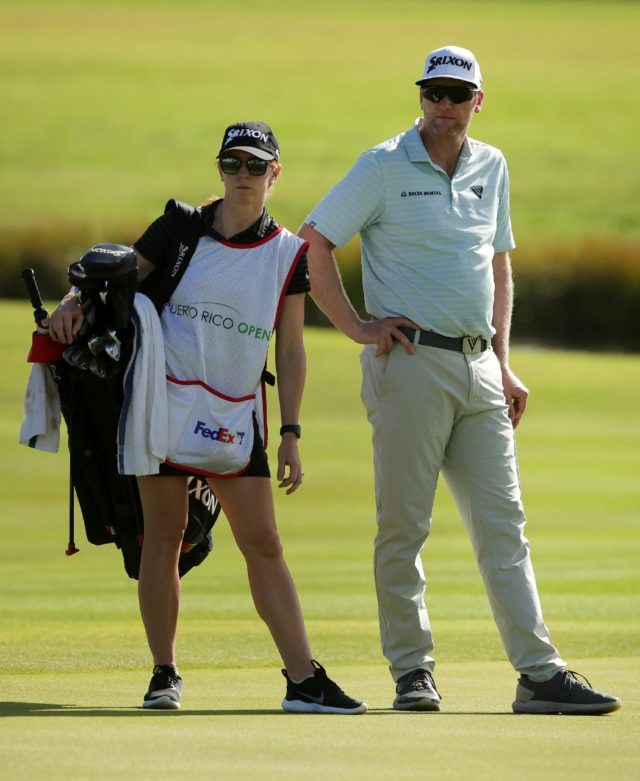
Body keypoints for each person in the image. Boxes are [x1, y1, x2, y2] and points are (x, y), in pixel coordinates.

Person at [298, 47, 621, 715]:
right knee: (404, 528)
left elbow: (499, 269)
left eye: (456, 92)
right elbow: (313, 243)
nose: (442, 103)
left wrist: (501, 360)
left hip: (479, 370)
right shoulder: (383, 165)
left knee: (505, 527)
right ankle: (412, 670)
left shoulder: (491, 165)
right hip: (410, 364)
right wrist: (359, 326)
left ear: (479, 100)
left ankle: (538, 672)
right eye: (432, 91)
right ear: (420, 96)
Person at [50, 120, 366, 715]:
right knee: (162, 538)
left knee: (264, 543)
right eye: (232, 163)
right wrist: (71, 302)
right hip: (159, 404)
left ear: (276, 173)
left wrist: (292, 433)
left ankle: (303, 679)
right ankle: (164, 674)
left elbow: (290, 349)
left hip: (234, 416)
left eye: (255, 165)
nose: (242, 175)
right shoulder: (180, 226)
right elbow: (118, 279)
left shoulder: (288, 253)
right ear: (220, 169)